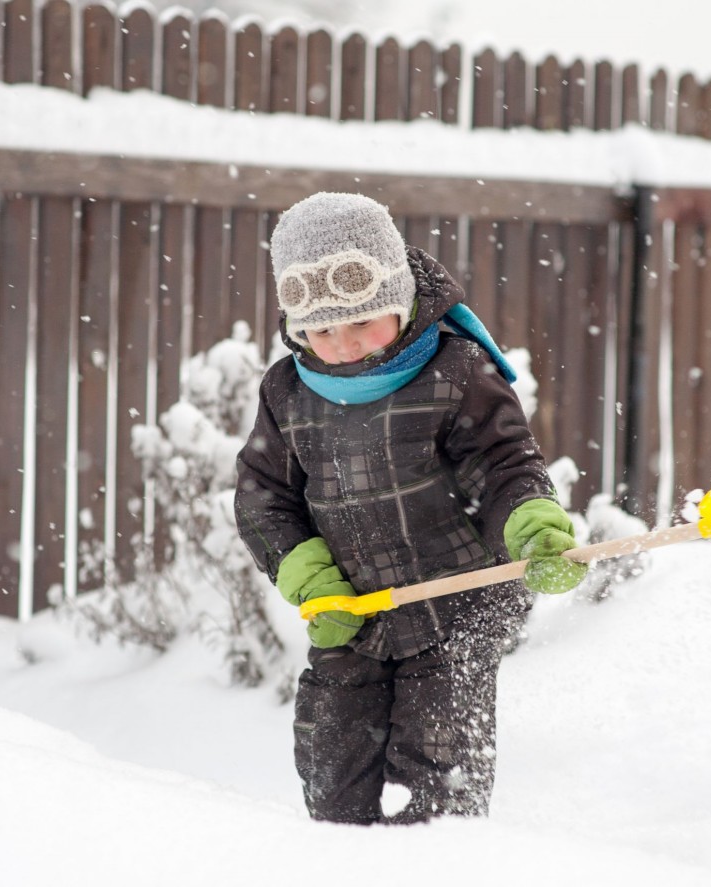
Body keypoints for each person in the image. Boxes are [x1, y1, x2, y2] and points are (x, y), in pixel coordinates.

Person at [234, 192, 587, 825]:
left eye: (362, 322)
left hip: (456, 608)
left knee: (436, 769)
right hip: (354, 614)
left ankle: (434, 859)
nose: (342, 345)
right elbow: (264, 495)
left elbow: (504, 466)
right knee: (332, 764)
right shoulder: (286, 392)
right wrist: (309, 575)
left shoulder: (455, 372)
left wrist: (531, 524)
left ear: (400, 300)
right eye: (320, 330)